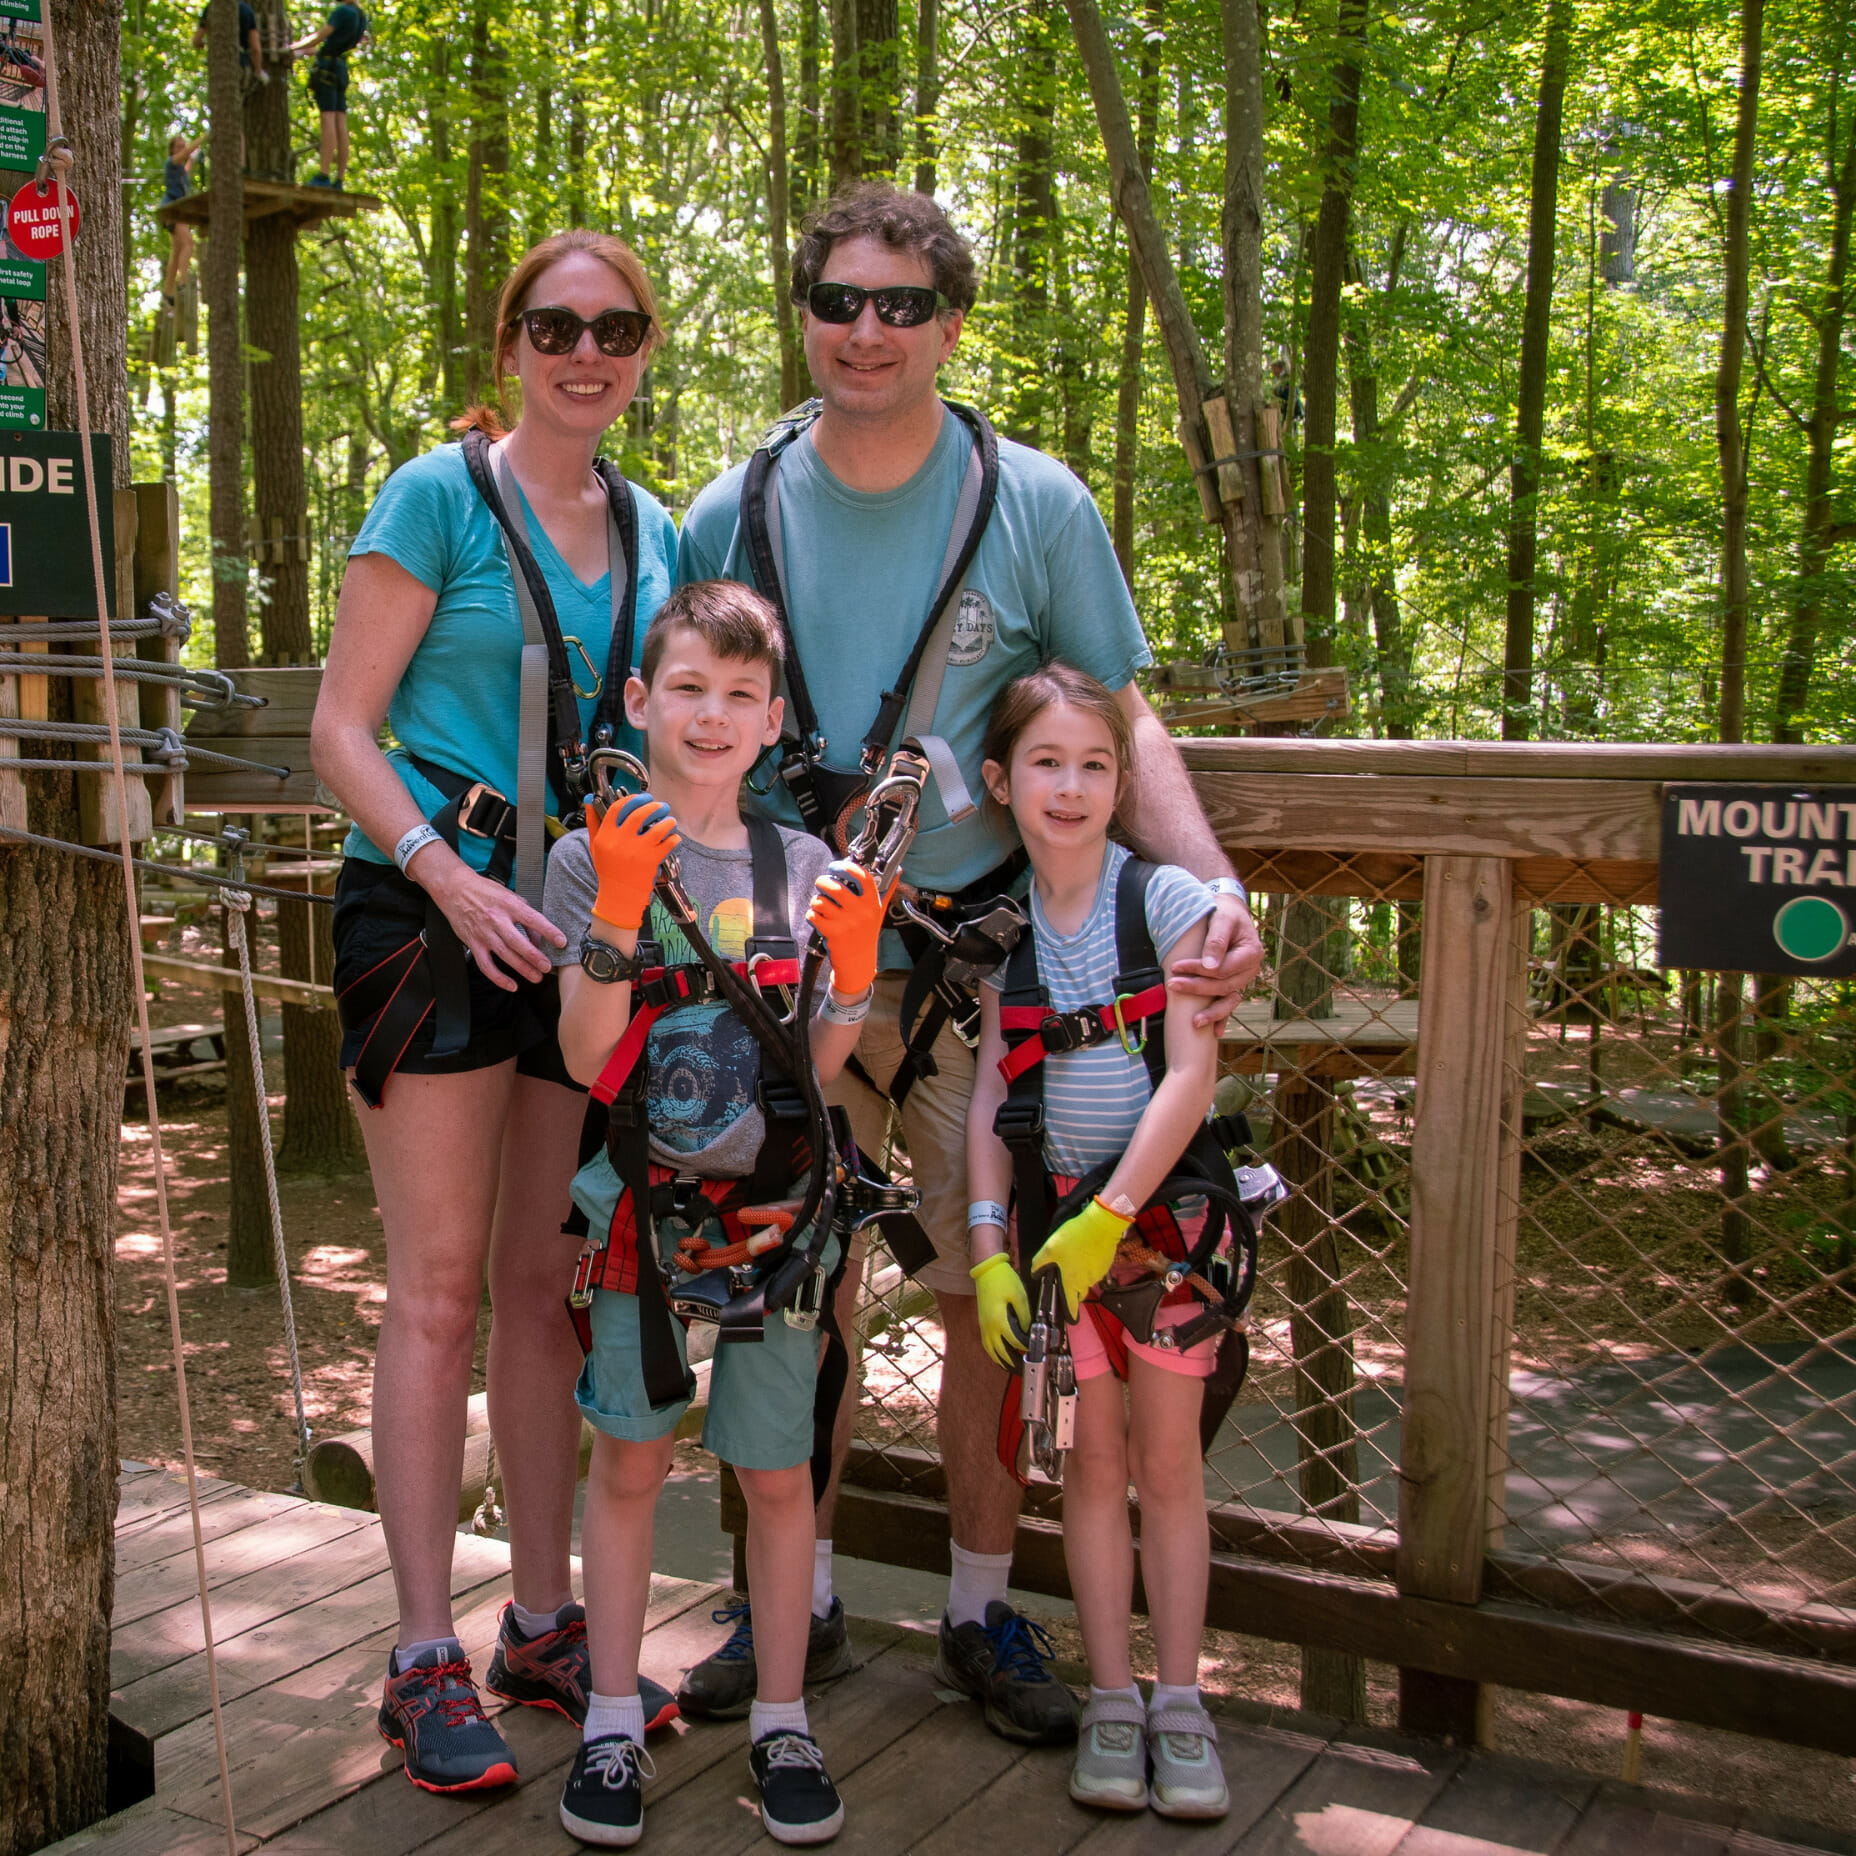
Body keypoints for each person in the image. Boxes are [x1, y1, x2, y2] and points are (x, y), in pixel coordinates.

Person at [675, 181, 1263, 1746]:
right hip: (785, 978)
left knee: (987, 1302)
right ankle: (782, 1605)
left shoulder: (1035, 505)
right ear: (802, 311)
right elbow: (672, 734)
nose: (867, 330)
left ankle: (979, 1608)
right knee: (783, 1293)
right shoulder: (727, 510)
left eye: (902, 303)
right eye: (840, 300)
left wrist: (1203, 891)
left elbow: (1122, 724)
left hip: (968, 979)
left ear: (948, 322)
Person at [310, 228, 678, 1794]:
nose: (582, 351)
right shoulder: (435, 496)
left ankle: (542, 1617)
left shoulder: (654, 528)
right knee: (440, 1287)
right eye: (553, 324)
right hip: (430, 911)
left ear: (645, 350)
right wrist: (442, 879)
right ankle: (415, 1653)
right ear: (508, 342)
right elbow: (340, 722)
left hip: (577, 929)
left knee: (549, 1287)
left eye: (613, 328)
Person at [543, 580, 885, 1847]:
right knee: (630, 1456)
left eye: (741, 694)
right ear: (639, 702)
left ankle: (782, 1712)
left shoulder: (800, 862)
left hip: (778, 1213)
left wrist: (850, 974)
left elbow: (825, 1063)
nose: (711, 713)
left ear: (773, 715)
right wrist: (620, 910)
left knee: (777, 1468)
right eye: (687, 687)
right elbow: (585, 1058)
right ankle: (614, 1720)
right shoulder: (592, 856)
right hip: (644, 1204)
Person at [966, 663, 1229, 1821]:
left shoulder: (1161, 903)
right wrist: (987, 1242)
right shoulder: (1005, 933)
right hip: (1047, 1242)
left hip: (1160, 1238)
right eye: (1043, 762)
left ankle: (1180, 1699)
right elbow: (989, 1100)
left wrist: (1107, 1218)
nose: (1068, 787)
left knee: (1168, 1464)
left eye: (1093, 764)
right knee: (1090, 1463)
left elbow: (1189, 1075)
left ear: (1121, 781)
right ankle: (1111, 1696)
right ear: (999, 780)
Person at [289, 0, 366, 188]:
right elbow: (333, 45)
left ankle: (323, 175)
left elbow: (319, 36)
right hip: (339, 69)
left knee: (328, 120)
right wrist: (308, 51)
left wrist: (291, 48)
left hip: (327, 72)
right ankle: (339, 179)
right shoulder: (360, 16)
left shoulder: (343, 12)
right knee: (341, 123)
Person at [161, 134, 206, 308]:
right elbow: (187, 152)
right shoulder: (171, 162)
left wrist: (192, 162)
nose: (182, 150)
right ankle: (183, 283)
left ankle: (168, 293)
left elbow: (185, 170)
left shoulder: (179, 168)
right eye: (178, 147)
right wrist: (203, 138)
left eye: (183, 146)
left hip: (176, 209)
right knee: (188, 243)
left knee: (178, 249)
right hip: (173, 209)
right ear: (172, 150)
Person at [191, 1, 267, 85]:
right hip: (239, 63)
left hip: (217, 65)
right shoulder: (247, 10)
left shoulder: (211, 7)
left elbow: (196, 41)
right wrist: (258, 71)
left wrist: (202, 44)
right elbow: (255, 49)